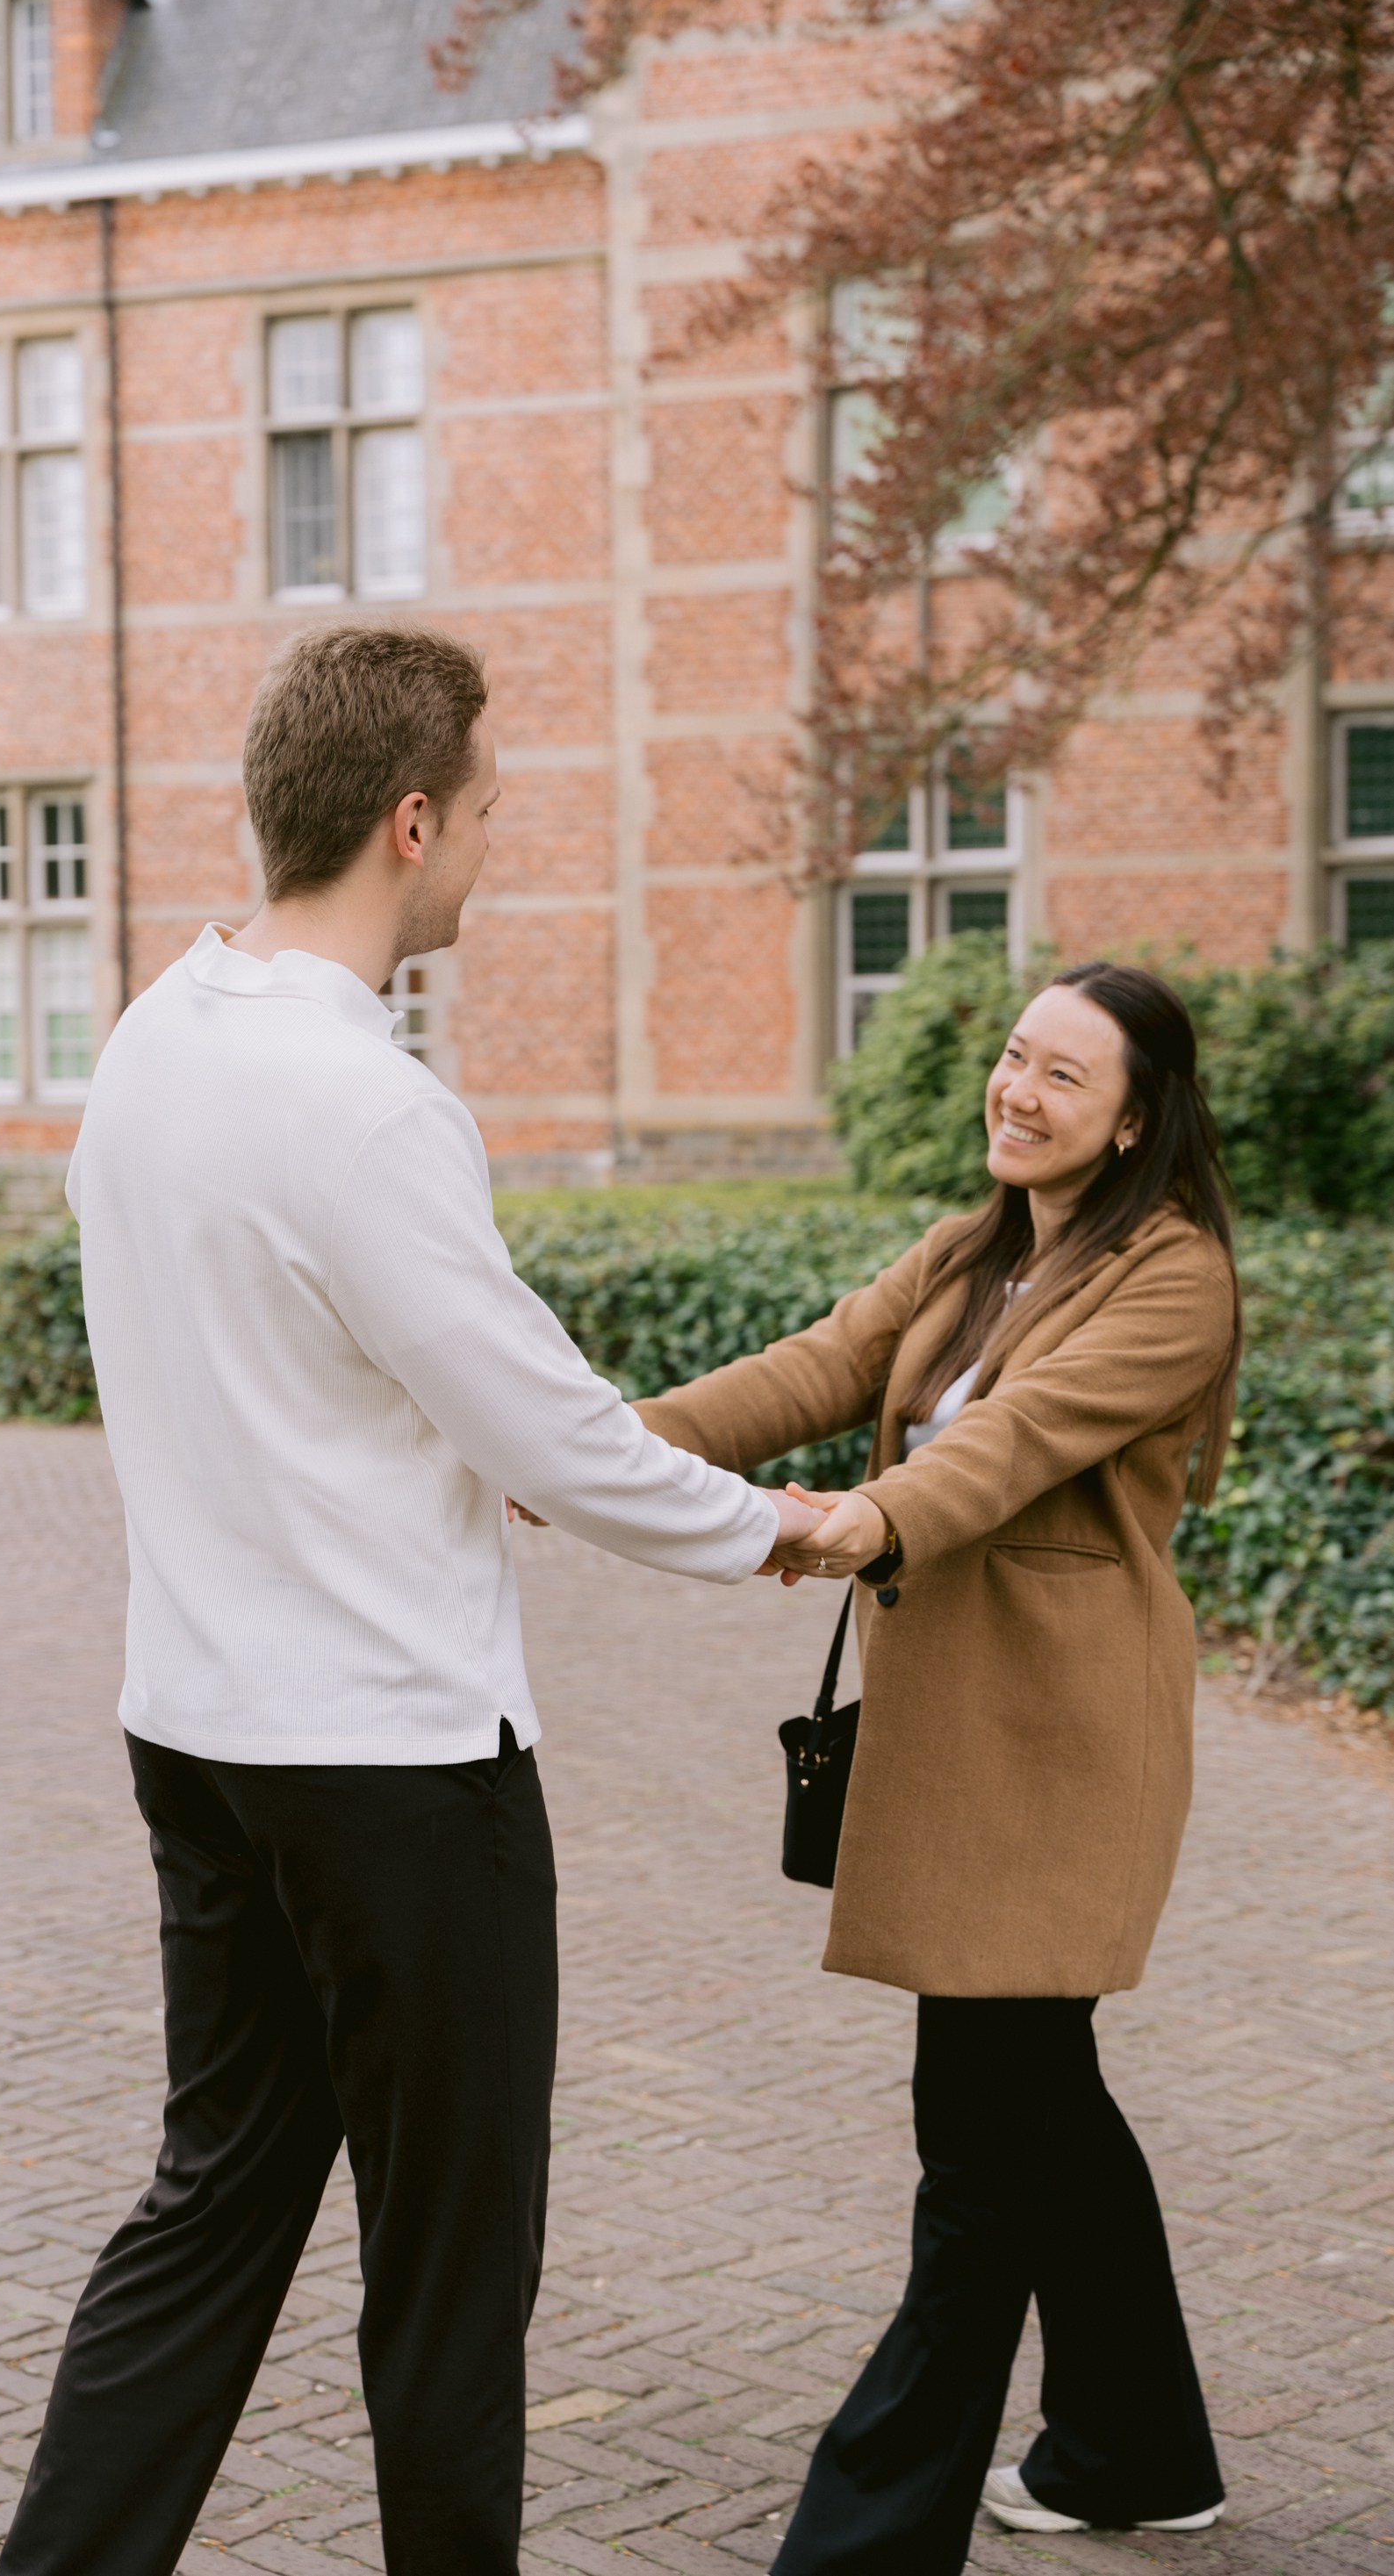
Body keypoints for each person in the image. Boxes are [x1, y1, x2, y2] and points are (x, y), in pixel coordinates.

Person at [0, 623, 830, 2576]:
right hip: (394, 1774)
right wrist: (779, 1528)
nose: (487, 857)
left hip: (197, 1734)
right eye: (484, 820)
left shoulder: (148, 1040)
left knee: (205, 2217)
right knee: (451, 2278)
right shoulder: (367, 1106)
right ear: (410, 817)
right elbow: (549, 1434)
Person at [632, 962, 1241, 2575]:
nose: (1017, 1090)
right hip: (967, 1750)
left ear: (1131, 1120)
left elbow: (1011, 1439)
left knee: (979, 2153)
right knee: (1040, 2108)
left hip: (1061, 1751)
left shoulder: (1173, 1281)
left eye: (1063, 1075)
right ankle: (1136, 2449)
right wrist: (603, 1451)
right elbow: (815, 1368)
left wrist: (865, 1516)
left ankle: (859, 2546)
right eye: (1012, 1055)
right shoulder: (975, 1250)